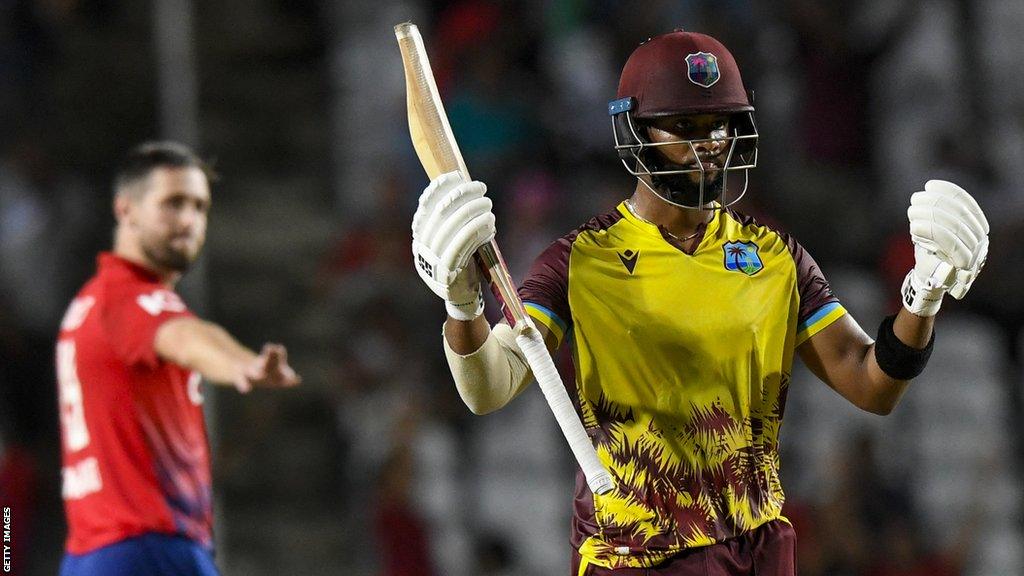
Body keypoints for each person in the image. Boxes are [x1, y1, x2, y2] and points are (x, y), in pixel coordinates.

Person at [410, 30, 989, 576]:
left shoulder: (774, 255)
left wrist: (923, 296)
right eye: (684, 125)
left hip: (758, 546)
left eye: (720, 125)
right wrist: (462, 305)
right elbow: (489, 387)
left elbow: (872, 384)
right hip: (636, 555)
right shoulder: (578, 262)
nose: (710, 144)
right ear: (636, 131)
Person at [55, 142, 301, 576]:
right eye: (173, 203)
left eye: (199, 206)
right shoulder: (131, 301)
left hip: (89, 555)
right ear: (125, 209)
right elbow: (187, 338)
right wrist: (241, 363)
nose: (189, 219)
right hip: (149, 551)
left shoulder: (89, 304)